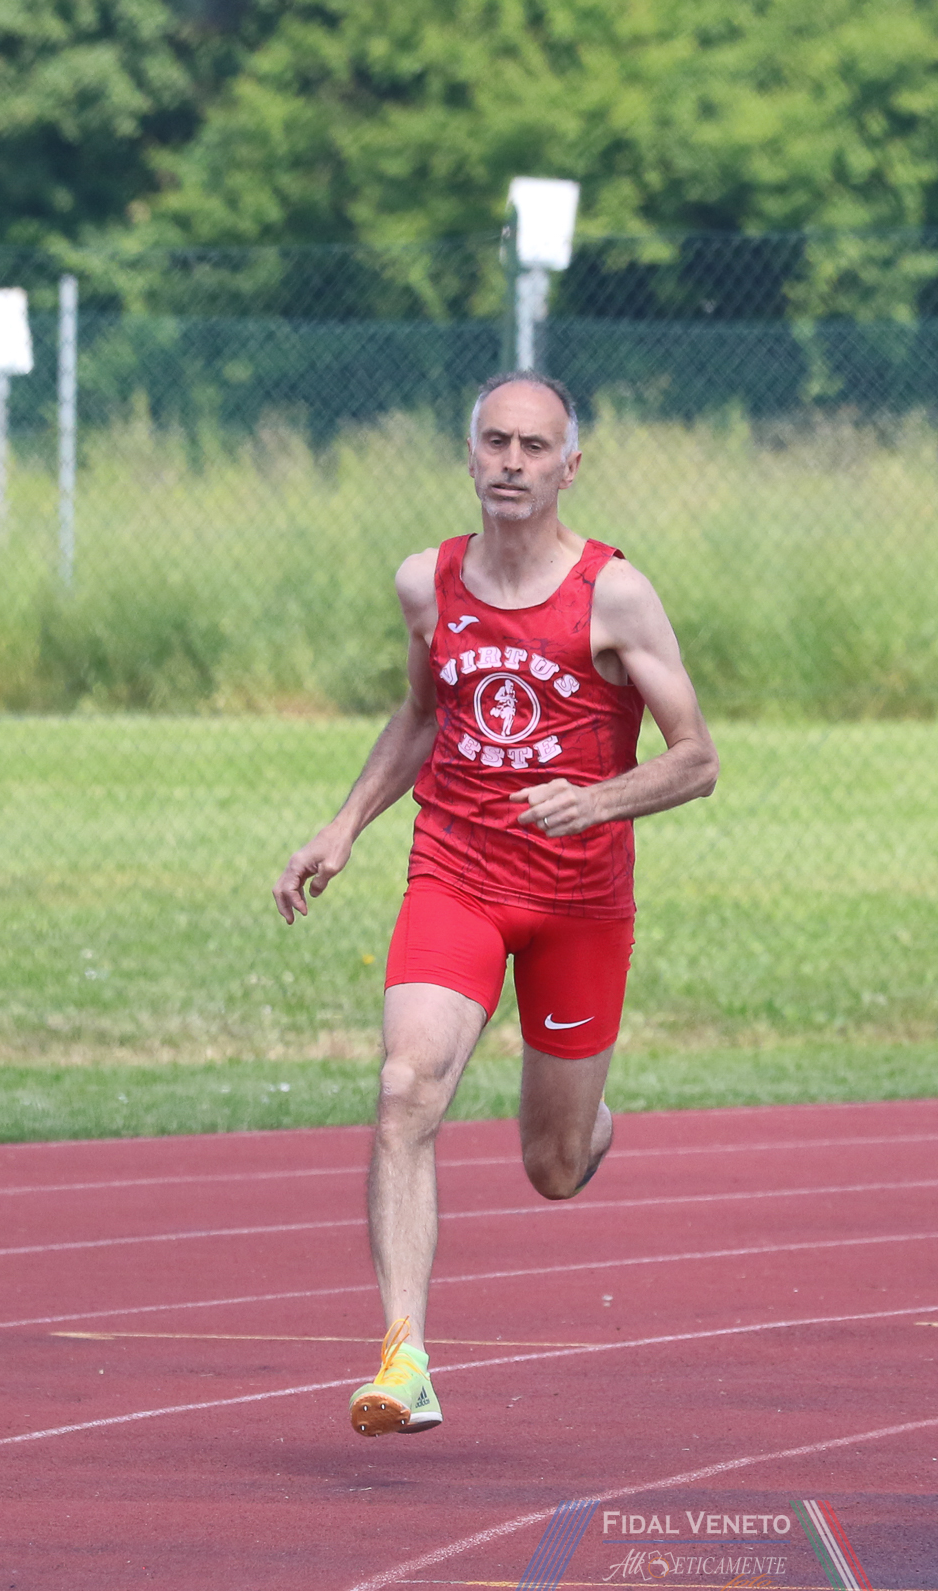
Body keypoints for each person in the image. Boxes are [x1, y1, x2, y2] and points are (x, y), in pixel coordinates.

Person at [273, 372, 718, 1436]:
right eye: (496, 442)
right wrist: (344, 824)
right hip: (457, 873)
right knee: (405, 1087)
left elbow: (697, 759)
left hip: (578, 899)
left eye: (535, 446)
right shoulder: (426, 584)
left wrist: (596, 800)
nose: (512, 462)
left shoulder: (614, 594)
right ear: (469, 454)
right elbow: (423, 714)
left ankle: (590, 1115)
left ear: (571, 466)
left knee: (552, 1168)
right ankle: (404, 1358)